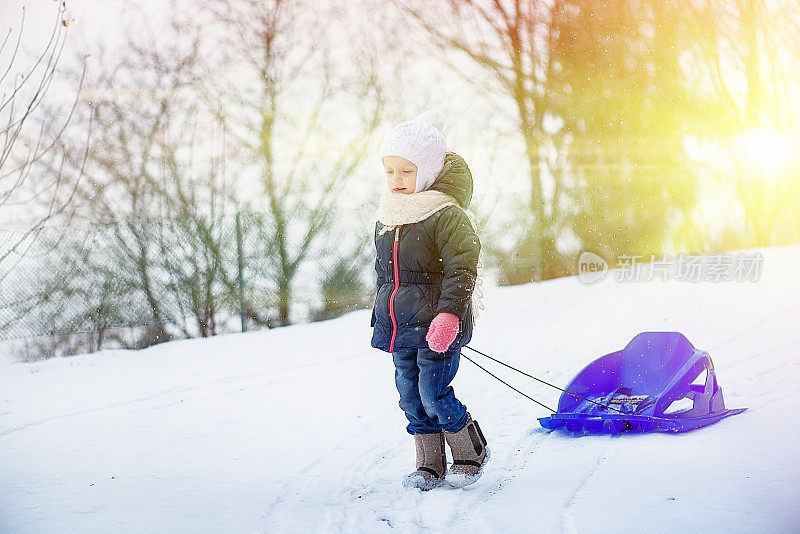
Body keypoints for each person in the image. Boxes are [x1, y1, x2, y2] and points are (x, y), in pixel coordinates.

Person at [370, 109, 489, 490]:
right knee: (410, 398)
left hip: (438, 325)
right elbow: (385, 275)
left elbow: (462, 268)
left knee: (433, 393)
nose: (396, 180)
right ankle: (430, 464)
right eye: (390, 171)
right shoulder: (388, 216)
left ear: (427, 170)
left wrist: (449, 316)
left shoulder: (445, 214)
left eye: (406, 171)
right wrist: (381, 316)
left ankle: (471, 451)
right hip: (400, 327)